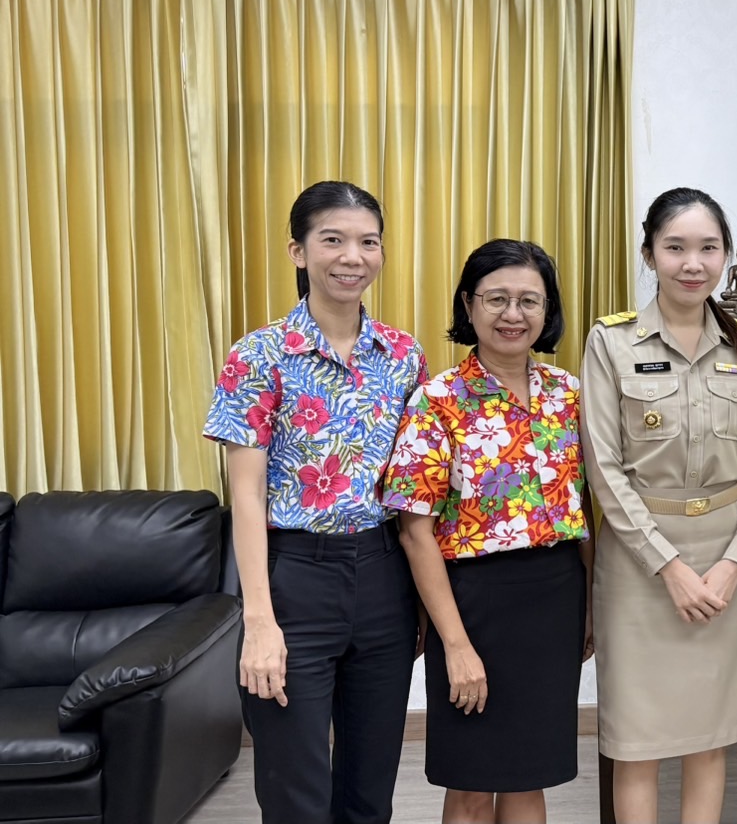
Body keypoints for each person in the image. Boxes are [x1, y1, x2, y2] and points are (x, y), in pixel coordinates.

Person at [203, 180, 426, 824]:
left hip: (385, 577)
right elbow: (244, 497)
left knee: (369, 787)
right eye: (332, 239)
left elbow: (413, 489)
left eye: (367, 242)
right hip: (294, 578)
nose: (351, 256)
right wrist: (260, 623)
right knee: (295, 789)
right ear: (299, 252)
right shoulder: (259, 355)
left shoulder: (404, 355)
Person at [580, 187, 737, 824]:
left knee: (709, 737)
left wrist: (733, 565)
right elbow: (603, 471)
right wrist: (668, 566)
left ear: (725, 256)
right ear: (650, 254)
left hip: (727, 561)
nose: (692, 263)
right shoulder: (610, 343)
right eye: (675, 248)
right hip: (641, 566)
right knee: (637, 742)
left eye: (707, 248)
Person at [381, 239, 594, 824]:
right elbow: (414, 532)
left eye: (529, 300)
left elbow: (588, 513)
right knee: (471, 783)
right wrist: (454, 644)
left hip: (553, 598)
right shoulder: (437, 400)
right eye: (496, 298)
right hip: (471, 603)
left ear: (548, 312)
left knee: (530, 779)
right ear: (468, 306)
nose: (513, 314)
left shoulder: (569, 396)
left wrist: (591, 604)